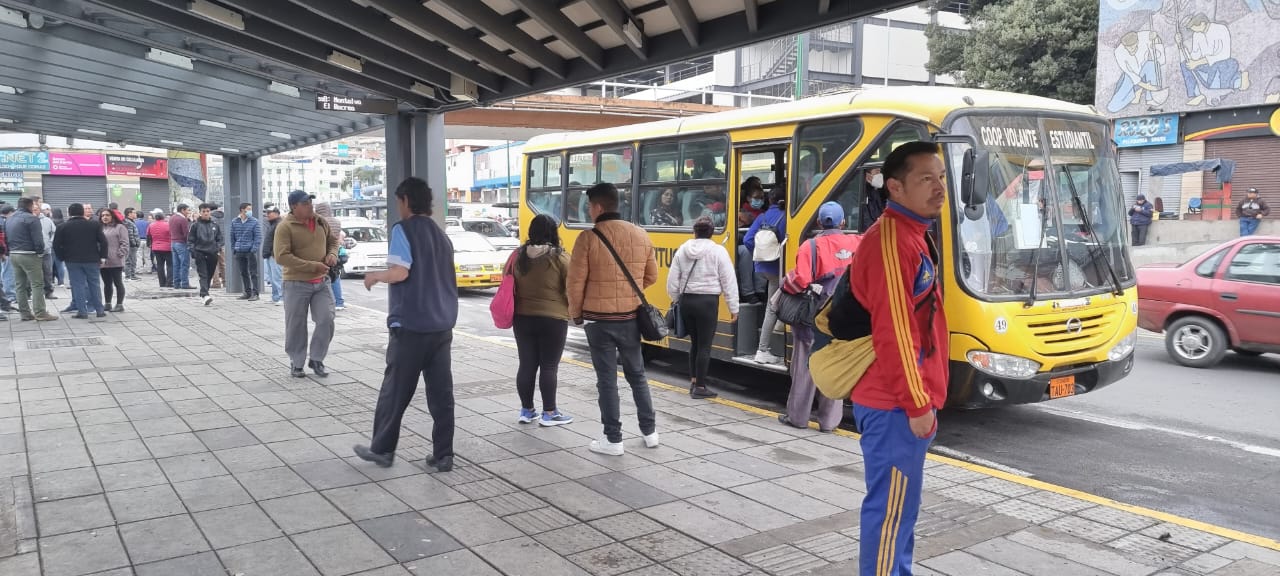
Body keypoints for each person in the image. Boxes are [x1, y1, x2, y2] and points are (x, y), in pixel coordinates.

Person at [850, 142, 949, 576]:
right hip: (893, 402)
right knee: (891, 513)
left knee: (899, 509)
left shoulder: (913, 232)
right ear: (895, 187)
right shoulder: (892, 239)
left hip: (900, 398)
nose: (939, 187)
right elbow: (895, 332)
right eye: (926, 179)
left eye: (941, 176)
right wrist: (917, 404)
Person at [352, 178, 458, 472]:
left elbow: (400, 272)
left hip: (411, 326)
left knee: (395, 390)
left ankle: (383, 450)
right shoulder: (441, 235)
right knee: (441, 394)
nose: (398, 207)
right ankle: (444, 454)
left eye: (399, 201)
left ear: (406, 201)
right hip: (441, 326)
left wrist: (375, 275)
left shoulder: (404, 230)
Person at [567, 182, 660, 456]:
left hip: (599, 322)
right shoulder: (641, 235)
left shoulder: (587, 238)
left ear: (598, 207)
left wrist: (576, 315)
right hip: (630, 318)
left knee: (607, 380)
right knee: (637, 375)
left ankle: (613, 439)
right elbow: (651, 276)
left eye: (588, 206)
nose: (588, 211)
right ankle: (650, 432)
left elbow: (575, 283)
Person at [778, 202, 862, 433]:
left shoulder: (810, 246)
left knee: (805, 365)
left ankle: (798, 417)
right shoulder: (857, 242)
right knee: (836, 366)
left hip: (813, 317)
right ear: (843, 222)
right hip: (845, 317)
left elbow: (802, 280)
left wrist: (787, 281)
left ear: (818, 222)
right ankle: (829, 422)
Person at [511, 213, 574, 426]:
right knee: (549, 366)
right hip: (553, 319)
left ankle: (527, 411)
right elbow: (572, 288)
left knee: (526, 364)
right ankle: (549, 413)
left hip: (522, 318)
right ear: (553, 233)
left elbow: (507, 281)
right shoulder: (560, 257)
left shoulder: (518, 256)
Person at [667, 216, 739, 400]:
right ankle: (700, 386)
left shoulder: (683, 250)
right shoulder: (718, 251)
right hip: (707, 302)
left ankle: (693, 381)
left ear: (694, 231)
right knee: (705, 346)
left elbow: (672, 281)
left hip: (687, 301)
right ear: (712, 232)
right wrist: (734, 306)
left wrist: (676, 299)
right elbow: (728, 281)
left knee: (695, 344)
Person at [275, 190, 339, 378]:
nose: (310, 206)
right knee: (296, 324)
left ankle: (317, 358)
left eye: (311, 202)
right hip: (296, 283)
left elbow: (333, 241)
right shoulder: (285, 227)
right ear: (294, 207)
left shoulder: (320, 221)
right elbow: (281, 256)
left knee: (327, 319)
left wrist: (332, 254)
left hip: (322, 282)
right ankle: (297, 362)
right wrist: (312, 266)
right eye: (305, 204)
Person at [745, 187, 788, 364]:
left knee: (775, 302)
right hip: (779, 268)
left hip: (763, 267)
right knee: (772, 306)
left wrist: (760, 256)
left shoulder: (761, 217)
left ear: (769, 201)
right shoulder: (786, 217)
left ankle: (778, 327)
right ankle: (762, 350)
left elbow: (748, 240)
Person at [1179, 13, 1249, 107]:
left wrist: (1198, 62)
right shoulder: (1197, 35)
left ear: (1202, 23)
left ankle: (1240, 78)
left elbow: (1224, 55)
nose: (1192, 30)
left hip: (1223, 64)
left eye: (1194, 27)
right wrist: (1180, 46)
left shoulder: (1220, 29)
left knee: (1219, 81)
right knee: (1185, 65)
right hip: (1207, 66)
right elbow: (1195, 55)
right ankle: (1197, 93)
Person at [53, 203, 107, 319]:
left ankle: (82, 312)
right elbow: (103, 242)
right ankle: (100, 310)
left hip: (72, 261)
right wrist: (102, 257)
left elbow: (56, 245)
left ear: (69, 213)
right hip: (92, 260)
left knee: (78, 285)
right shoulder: (94, 225)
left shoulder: (62, 227)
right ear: (83, 212)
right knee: (95, 284)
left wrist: (62, 257)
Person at [7, 198, 56, 321]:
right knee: (37, 284)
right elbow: (38, 239)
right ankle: (40, 312)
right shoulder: (32, 219)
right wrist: (40, 252)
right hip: (29, 254)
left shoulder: (10, 219)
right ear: (30, 206)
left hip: (14, 254)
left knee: (20, 285)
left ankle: (25, 313)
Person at [189, 203, 223, 306]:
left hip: (212, 253)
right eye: (203, 211)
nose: (206, 213)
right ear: (200, 212)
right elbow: (190, 240)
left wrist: (217, 247)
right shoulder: (195, 225)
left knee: (209, 274)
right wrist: (193, 251)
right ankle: (205, 294)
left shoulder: (214, 225)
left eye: (207, 211)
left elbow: (220, 239)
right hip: (200, 252)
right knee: (203, 274)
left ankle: (204, 293)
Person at [98, 209, 130, 313]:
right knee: (107, 283)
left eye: (107, 215)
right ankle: (107, 304)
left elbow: (125, 243)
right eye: (102, 215)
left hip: (116, 260)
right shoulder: (100, 228)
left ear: (112, 216)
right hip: (103, 261)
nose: (105, 217)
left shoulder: (120, 227)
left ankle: (119, 304)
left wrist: (120, 254)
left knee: (118, 282)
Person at [314, 202, 344, 310]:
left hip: (323, 253)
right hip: (335, 252)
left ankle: (332, 301)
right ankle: (339, 301)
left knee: (325, 277)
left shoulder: (320, 222)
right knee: (335, 276)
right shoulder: (336, 221)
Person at [230, 202, 262, 301]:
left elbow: (258, 237)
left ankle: (255, 293)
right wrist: (234, 248)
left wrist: (253, 249)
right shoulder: (235, 221)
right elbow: (232, 237)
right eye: (248, 209)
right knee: (243, 272)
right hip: (239, 250)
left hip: (250, 251)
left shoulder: (254, 221)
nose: (250, 211)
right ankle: (247, 292)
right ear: (242, 210)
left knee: (253, 273)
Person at [262, 206, 283, 305]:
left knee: (277, 277)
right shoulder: (272, 224)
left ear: (277, 213)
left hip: (275, 254)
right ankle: (275, 297)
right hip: (270, 254)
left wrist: (276, 252)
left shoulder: (279, 224)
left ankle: (282, 297)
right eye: (267, 212)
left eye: (270, 212)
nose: (268, 214)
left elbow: (280, 241)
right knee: (272, 277)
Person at [169, 203, 193, 289]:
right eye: (187, 210)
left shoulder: (172, 218)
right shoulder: (183, 219)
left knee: (176, 264)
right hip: (181, 243)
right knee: (184, 264)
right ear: (182, 210)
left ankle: (176, 283)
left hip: (173, 243)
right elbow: (186, 233)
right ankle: (185, 283)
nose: (188, 212)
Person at [148, 211, 173, 288]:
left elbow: (148, 236)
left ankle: (162, 283)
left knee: (160, 265)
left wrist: (150, 245)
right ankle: (169, 282)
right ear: (163, 217)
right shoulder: (168, 225)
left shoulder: (151, 225)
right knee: (170, 265)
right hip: (167, 247)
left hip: (155, 247)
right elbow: (171, 235)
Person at [38, 203, 57, 301]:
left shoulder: (47, 220)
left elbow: (54, 232)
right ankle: (29, 293)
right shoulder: (28, 220)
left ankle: (48, 292)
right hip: (32, 253)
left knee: (48, 272)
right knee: (32, 274)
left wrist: (50, 243)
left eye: (37, 209)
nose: (35, 211)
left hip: (46, 251)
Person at [0, 205, 17, 306]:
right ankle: (10, 295)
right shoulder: (5, 222)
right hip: (5, 252)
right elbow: (3, 239)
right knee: (8, 273)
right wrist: (4, 253)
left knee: (4, 273)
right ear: (10, 212)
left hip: (3, 251)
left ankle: (5, 297)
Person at [123, 208, 141, 281]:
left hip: (132, 245)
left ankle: (132, 275)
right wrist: (134, 244)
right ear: (129, 214)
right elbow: (130, 234)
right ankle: (129, 276)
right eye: (134, 212)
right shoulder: (127, 222)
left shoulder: (131, 221)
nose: (135, 214)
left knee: (133, 260)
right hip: (130, 245)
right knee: (129, 260)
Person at [50, 207, 66, 287]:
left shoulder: (51, 221)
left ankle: (50, 280)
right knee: (60, 264)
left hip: (52, 245)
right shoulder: (63, 222)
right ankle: (61, 281)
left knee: (50, 264)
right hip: (61, 245)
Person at [134, 209, 151, 273]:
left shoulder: (134, 223)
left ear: (136, 216)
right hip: (146, 240)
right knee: (147, 256)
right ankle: (149, 269)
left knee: (139, 256)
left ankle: (139, 270)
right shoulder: (147, 223)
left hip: (138, 240)